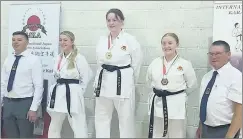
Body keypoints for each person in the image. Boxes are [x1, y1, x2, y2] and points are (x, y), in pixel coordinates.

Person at [93, 8, 143, 138]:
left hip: (123, 84)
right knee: (101, 119)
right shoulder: (102, 40)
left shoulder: (130, 40)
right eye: (109, 20)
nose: (111, 23)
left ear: (122, 22)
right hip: (103, 84)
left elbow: (136, 64)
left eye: (114, 19)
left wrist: (131, 82)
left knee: (126, 120)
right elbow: (99, 63)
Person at [146, 33, 197, 138]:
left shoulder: (184, 64)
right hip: (158, 104)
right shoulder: (155, 63)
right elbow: (148, 82)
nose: (166, 46)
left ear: (176, 44)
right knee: (157, 134)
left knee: (176, 134)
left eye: (170, 43)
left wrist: (178, 95)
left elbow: (192, 85)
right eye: (164, 43)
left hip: (176, 105)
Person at [46, 31, 93, 138]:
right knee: (54, 125)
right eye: (60, 40)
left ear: (72, 42)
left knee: (78, 124)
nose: (62, 42)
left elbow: (87, 76)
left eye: (65, 40)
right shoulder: (58, 58)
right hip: (59, 93)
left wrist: (79, 91)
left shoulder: (79, 58)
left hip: (73, 92)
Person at [1, 31, 44, 138]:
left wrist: (33, 108)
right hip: (8, 103)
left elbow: (39, 86)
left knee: (25, 136)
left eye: (19, 40)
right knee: (11, 135)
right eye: (13, 40)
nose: (16, 42)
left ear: (27, 42)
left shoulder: (34, 60)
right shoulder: (8, 59)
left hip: (24, 103)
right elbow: (3, 83)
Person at [197, 40, 242, 138]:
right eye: (211, 54)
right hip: (205, 128)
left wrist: (229, 136)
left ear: (228, 54)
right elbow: (205, 103)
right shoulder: (207, 77)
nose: (213, 57)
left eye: (218, 53)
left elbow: (240, 112)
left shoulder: (236, 77)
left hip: (225, 130)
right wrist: (200, 126)